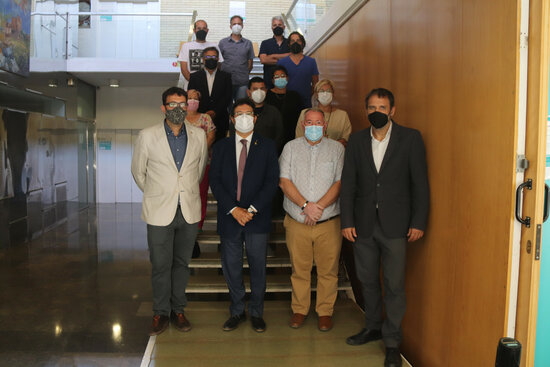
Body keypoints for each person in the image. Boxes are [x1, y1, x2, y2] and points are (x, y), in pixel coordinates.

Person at [340, 88, 429, 367]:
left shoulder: (410, 138)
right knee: (367, 281)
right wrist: (347, 221)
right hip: (363, 225)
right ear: (365, 110)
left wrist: (418, 222)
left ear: (392, 111)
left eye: (382, 107)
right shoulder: (355, 141)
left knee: (393, 284)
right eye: (371, 107)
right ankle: (372, 327)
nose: (376, 112)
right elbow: (349, 184)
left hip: (397, 226)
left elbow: (420, 185)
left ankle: (392, 342)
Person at [131, 87, 208, 336]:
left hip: (188, 210)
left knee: (182, 264)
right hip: (158, 210)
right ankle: (160, 312)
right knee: (160, 264)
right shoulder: (147, 135)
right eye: (172, 105)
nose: (178, 109)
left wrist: (180, 191)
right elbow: (138, 173)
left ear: (188, 107)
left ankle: (179, 310)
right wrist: (159, 191)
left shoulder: (198, 136)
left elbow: (198, 172)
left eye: (182, 104)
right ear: (163, 108)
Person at [209, 98, 279, 333]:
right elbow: (215, 181)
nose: (244, 117)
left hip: (256, 218)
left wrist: (250, 210)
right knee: (232, 266)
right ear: (232, 119)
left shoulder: (267, 146)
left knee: (258, 266)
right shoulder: (220, 147)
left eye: (249, 113)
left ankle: (257, 313)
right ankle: (237, 311)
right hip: (229, 217)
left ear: (255, 118)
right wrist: (234, 209)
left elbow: (271, 182)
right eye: (239, 114)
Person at [279, 108, 344, 332]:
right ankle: (300, 309)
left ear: (325, 126)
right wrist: (306, 206)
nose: (314, 126)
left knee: (328, 271)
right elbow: (284, 181)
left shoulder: (337, 149)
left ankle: (325, 312)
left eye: (318, 123)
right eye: (309, 122)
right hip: (297, 221)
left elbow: (339, 182)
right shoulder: (290, 147)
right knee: (300, 269)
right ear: (303, 124)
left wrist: (319, 208)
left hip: (328, 222)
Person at [185, 89, 216, 235]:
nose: (192, 101)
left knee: (201, 193)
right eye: (189, 98)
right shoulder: (179, 117)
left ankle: (198, 224)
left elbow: (211, 136)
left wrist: (199, 153)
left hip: (203, 162)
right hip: (182, 164)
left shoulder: (205, 118)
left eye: (195, 98)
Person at [188, 47, 233, 142]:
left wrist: (215, 112)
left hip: (220, 118)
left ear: (218, 59)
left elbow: (227, 96)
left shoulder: (226, 77)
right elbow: (191, 97)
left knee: (219, 149)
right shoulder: (194, 77)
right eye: (208, 56)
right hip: (199, 119)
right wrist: (204, 114)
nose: (211, 59)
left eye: (214, 56)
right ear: (203, 59)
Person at [295, 79, 352, 146]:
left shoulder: (342, 115)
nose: (325, 94)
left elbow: (346, 140)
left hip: (335, 153)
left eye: (328, 91)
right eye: (321, 91)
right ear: (316, 94)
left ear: (333, 94)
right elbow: (299, 138)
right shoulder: (305, 113)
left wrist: (328, 145)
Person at [276, 31, 319, 109]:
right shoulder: (281, 62)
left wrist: (309, 94)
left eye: (298, 40)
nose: (295, 43)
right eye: (292, 41)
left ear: (302, 43)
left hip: (305, 102)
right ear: (289, 44)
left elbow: (315, 83)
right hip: (286, 102)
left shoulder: (311, 61)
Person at [177, 19, 224, 90]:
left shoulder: (214, 46)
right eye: (199, 28)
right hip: (191, 87)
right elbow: (184, 69)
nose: (201, 30)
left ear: (207, 30)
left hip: (210, 87)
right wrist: (195, 83)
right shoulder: (186, 46)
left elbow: (218, 66)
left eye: (204, 28)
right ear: (194, 30)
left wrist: (209, 83)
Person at [218, 15, 255, 101]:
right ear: (230, 26)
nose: (237, 26)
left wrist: (243, 72)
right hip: (226, 82)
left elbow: (250, 63)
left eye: (239, 24)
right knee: (227, 107)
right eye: (234, 24)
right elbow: (218, 62)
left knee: (241, 106)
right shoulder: (223, 42)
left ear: (242, 26)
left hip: (242, 82)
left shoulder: (248, 43)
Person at [265, 65, 302, 147]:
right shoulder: (266, 95)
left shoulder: (295, 96)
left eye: (283, 76)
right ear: (272, 80)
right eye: (277, 77)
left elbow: (300, 116)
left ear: (287, 78)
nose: (280, 78)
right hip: (271, 135)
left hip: (290, 135)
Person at [259, 16, 290, 89]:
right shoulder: (265, 43)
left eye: (279, 25)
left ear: (284, 27)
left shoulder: (290, 42)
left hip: (287, 82)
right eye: (274, 25)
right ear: (272, 27)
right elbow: (263, 60)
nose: (277, 27)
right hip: (269, 82)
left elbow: (293, 57)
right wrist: (285, 58)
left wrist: (271, 56)